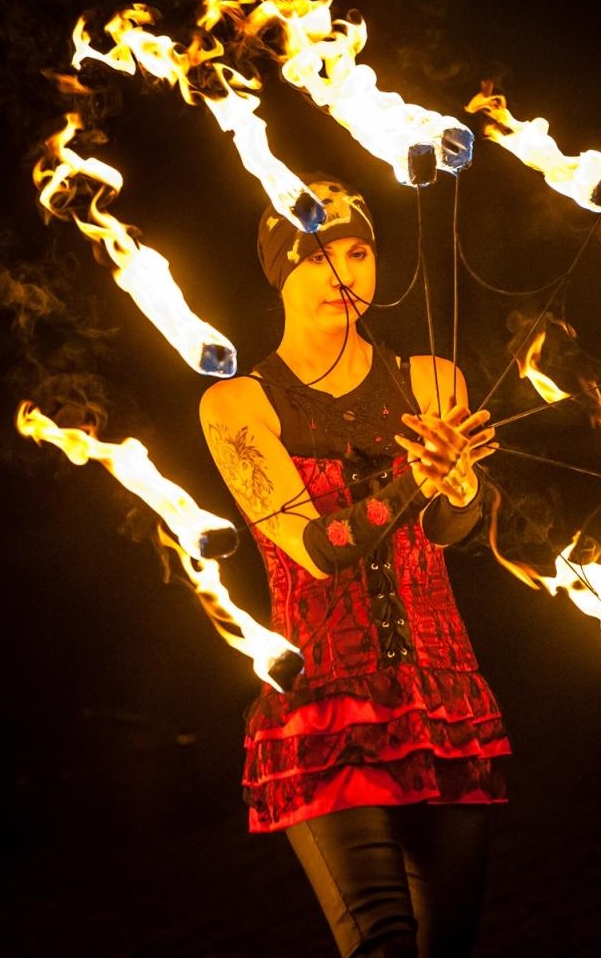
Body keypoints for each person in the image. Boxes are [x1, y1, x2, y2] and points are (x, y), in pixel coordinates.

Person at [199, 175, 510, 957]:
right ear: (280, 269)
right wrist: (416, 474)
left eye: (358, 252)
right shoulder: (238, 403)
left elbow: (446, 530)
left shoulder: (432, 380)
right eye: (316, 257)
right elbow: (316, 550)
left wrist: (463, 483)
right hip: (325, 707)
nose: (342, 275)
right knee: (383, 941)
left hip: (444, 701)